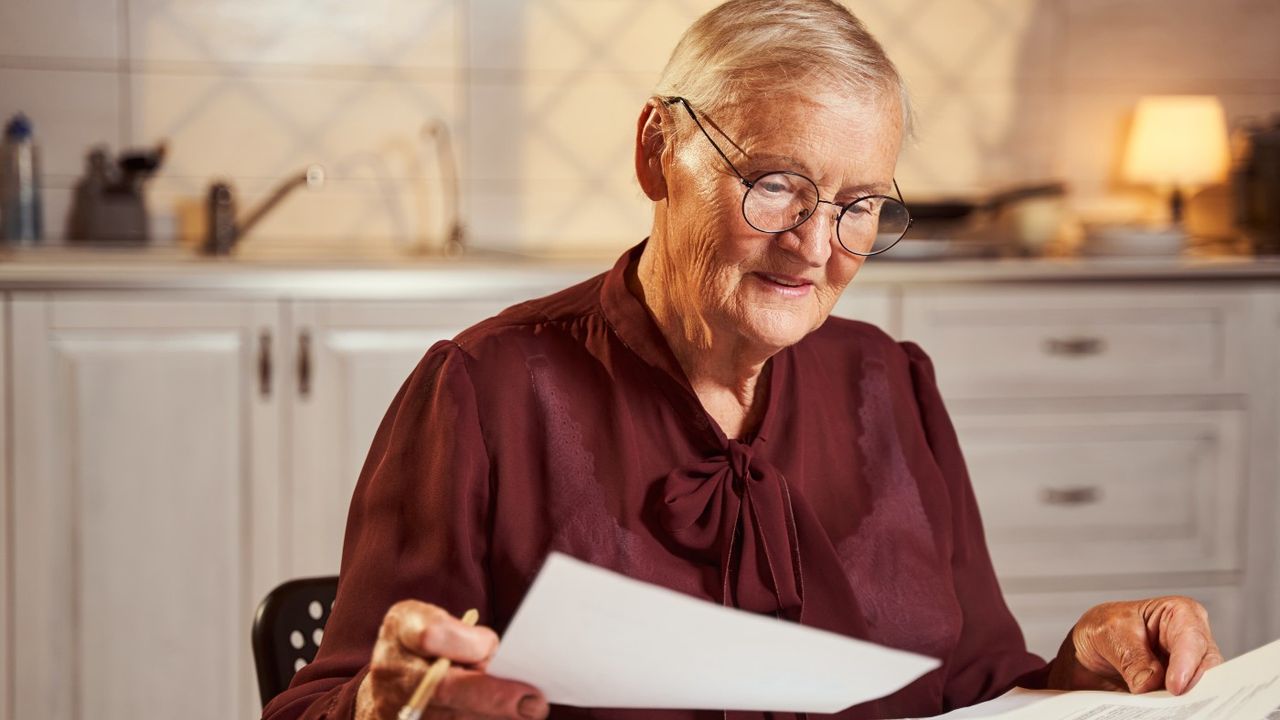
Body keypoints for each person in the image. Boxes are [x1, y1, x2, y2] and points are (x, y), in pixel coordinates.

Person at [261, 2, 1222, 719]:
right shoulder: (485, 392)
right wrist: (385, 710)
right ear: (655, 152)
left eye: (859, 206)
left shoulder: (889, 384)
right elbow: (330, 704)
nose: (815, 246)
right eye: (777, 186)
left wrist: (1074, 674)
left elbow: (970, 688)